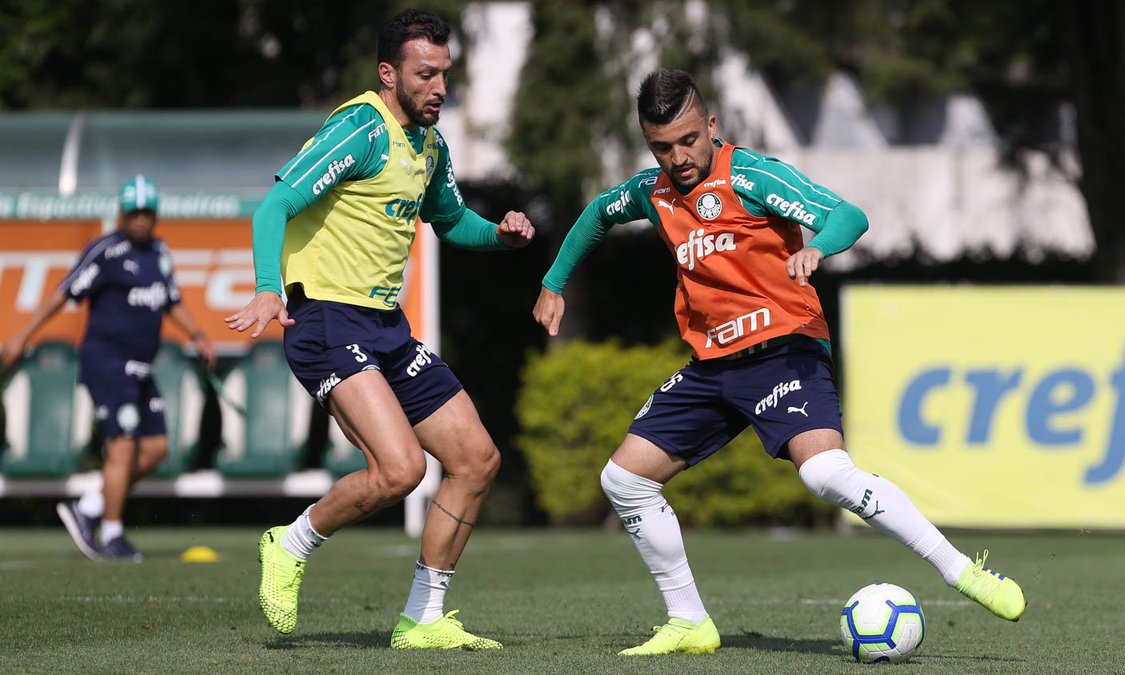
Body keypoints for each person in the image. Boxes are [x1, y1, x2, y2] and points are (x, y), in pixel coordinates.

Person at [533, 69, 1027, 656]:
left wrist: (816, 246)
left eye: (689, 140)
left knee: (824, 475)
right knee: (624, 481)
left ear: (711, 126)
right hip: (713, 366)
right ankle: (689, 621)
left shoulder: (753, 175)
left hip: (784, 348)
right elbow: (597, 215)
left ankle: (959, 570)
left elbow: (848, 216)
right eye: (661, 147)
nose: (678, 157)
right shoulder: (653, 192)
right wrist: (553, 282)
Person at [224, 8, 533, 651]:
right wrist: (265, 289)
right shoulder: (360, 127)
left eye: (446, 74)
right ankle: (291, 543)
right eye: (426, 75)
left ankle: (423, 618)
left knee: (476, 461)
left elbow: (452, 222)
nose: (440, 88)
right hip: (325, 320)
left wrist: (499, 237)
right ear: (389, 73)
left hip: (385, 326)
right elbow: (275, 204)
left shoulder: (430, 145)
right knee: (399, 471)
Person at [1, 175, 216, 562]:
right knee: (122, 448)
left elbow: (172, 299)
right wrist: (22, 338)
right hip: (107, 363)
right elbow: (62, 295)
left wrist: (199, 335)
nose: (140, 220)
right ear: (121, 214)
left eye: (146, 213)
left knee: (155, 450)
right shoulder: (106, 250)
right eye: (133, 213)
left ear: (155, 216)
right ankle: (113, 535)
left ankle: (88, 508)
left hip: (141, 368)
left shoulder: (160, 253)